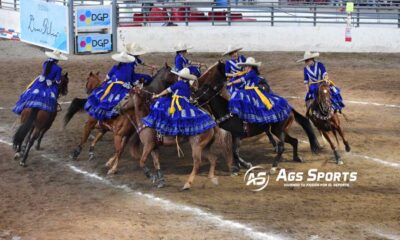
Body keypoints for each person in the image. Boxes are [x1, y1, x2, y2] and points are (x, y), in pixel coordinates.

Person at [143, 68, 216, 136]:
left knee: (160, 103)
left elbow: (167, 90)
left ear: (180, 77)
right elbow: (187, 95)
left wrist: (157, 95)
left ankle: (160, 130)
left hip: (177, 102)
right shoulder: (187, 85)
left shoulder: (179, 83)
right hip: (184, 103)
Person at [227, 57, 292, 123]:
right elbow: (240, 77)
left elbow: (242, 79)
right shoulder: (247, 72)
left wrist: (232, 83)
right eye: (245, 66)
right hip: (248, 90)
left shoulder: (252, 73)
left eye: (246, 66)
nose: (245, 67)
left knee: (240, 95)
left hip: (253, 91)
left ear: (250, 67)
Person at [84, 52, 136, 121]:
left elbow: (107, 77)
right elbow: (131, 79)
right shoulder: (129, 68)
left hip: (111, 85)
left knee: (103, 97)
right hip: (121, 88)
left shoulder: (115, 67)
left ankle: (99, 114)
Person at [13, 50, 68, 114]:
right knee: (53, 94)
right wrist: (55, 81)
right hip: (49, 83)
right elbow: (58, 80)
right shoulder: (58, 68)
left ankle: (23, 105)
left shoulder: (45, 63)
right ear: (57, 60)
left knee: (30, 89)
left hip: (40, 81)